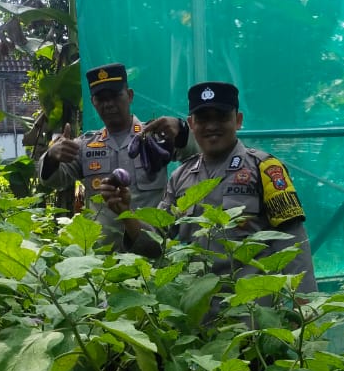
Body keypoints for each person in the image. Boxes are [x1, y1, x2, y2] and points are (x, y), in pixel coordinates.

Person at [100, 80, 317, 292]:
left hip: (250, 314)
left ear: (238, 120)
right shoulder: (179, 177)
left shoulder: (265, 168)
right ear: (191, 123)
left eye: (221, 117)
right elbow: (156, 245)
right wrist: (126, 213)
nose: (212, 126)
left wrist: (306, 307)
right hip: (195, 314)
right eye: (203, 119)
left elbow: (294, 243)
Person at [37, 62, 193, 248]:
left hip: (151, 251)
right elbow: (53, 180)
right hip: (104, 259)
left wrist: (182, 130)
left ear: (129, 95)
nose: (108, 104)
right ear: (93, 102)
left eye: (115, 96)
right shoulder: (86, 145)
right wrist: (52, 156)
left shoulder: (155, 137)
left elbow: (196, 155)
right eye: (101, 99)